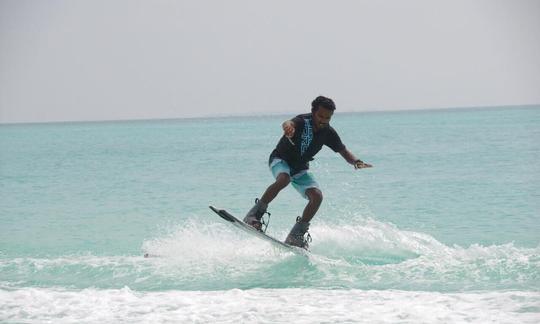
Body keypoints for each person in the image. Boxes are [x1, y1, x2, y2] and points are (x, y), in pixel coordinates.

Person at [243, 96, 372, 248]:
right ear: (313, 112)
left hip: (300, 167)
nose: (323, 120)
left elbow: (343, 151)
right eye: (320, 116)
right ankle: (253, 216)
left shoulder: (328, 132)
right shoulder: (302, 121)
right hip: (280, 160)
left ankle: (296, 235)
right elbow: (288, 123)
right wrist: (287, 127)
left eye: (328, 118)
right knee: (284, 179)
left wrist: (356, 162)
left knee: (317, 196)